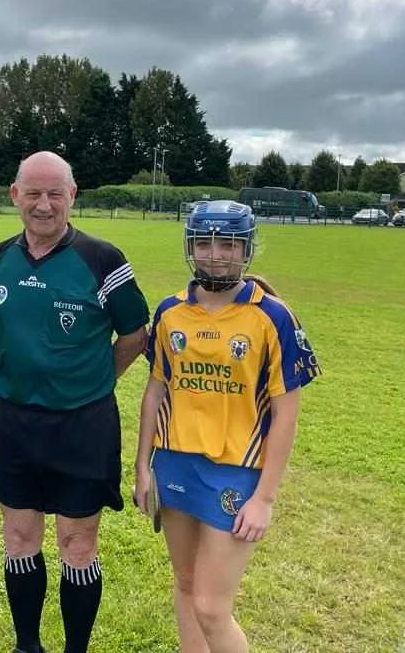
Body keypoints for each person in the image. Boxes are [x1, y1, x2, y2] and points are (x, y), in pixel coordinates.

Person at [0, 151, 150, 653]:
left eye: (55, 193)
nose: (44, 205)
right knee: (19, 537)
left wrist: (90, 381)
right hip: (13, 421)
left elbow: (136, 336)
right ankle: (27, 645)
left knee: (78, 543)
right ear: (15, 196)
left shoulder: (103, 259)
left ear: (73, 196)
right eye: (33, 193)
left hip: (82, 426)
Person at [133, 200, 319, 653]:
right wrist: (141, 467)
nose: (216, 254)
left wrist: (265, 499)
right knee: (184, 582)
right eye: (205, 242)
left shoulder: (271, 316)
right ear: (190, 247)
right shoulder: (170, 312)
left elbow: (286, 415)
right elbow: (156, 390)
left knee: (212, 607)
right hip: (175, 463)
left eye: (228, 244)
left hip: (235, 472)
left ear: (246, 249)